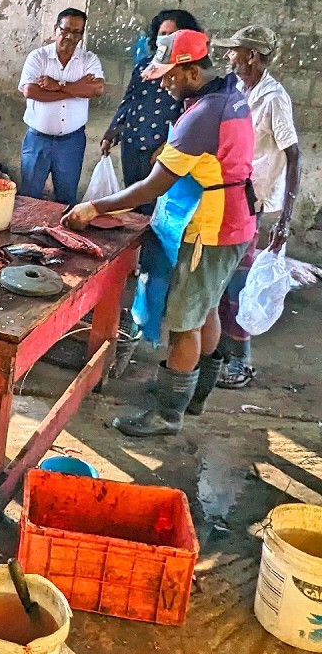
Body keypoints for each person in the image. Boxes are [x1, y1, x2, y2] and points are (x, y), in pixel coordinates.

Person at [64, 30, 256, 437]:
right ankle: (193, 395)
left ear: (191, 71)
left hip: (210, 230)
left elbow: (152, 186)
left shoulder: (202, 116)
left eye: (169, 75)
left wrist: (93, 207)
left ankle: (169, 413)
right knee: (206, 309)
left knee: (185, 323)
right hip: (234, 221)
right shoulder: (229, 95)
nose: (163, 83)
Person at [210, 24, 302, 389]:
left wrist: (285, 220)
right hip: (225, 192)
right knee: (220, 277)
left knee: (238, 280)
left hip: (251, 199)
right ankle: (218, 351)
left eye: (234, 50)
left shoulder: (274, 97)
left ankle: (241, 360)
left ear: (251, 55)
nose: (228, 56)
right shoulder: (234, 88)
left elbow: (294, 156)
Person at [100, 10, 203, 206]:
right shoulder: (143, 67)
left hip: (161, 148)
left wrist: (167, 147)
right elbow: (129, 100)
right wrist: (113, 131)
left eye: (172, 35)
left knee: (155, 203)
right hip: (132, 143)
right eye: (162, 34)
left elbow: (189, 115)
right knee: (131, 201)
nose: (166, 40)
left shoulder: (188, 72)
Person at [18, 8, 105, 204]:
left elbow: (97, 89)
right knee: (28, 197)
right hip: (37, 140)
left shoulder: (88, 59)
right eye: (65, 30)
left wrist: (58, 85)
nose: (70, 36)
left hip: (71, 142)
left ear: (82, 34)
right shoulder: (38, 57)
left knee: (66, 198)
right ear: (55, 29)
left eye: (76, 32)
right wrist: (77, 89)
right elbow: (31, 91)